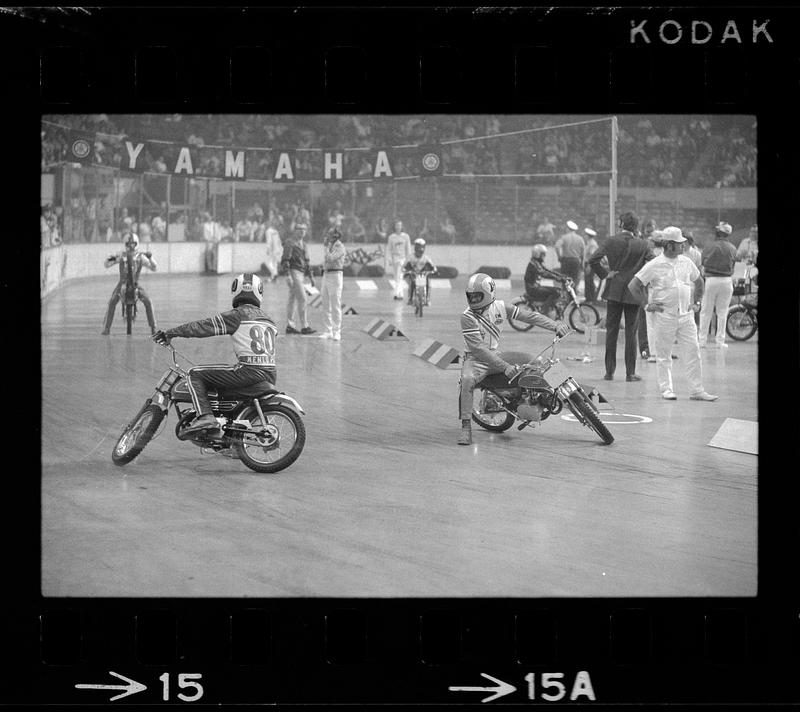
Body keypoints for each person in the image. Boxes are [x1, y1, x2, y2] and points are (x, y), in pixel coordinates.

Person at [151, 273, 279, 436]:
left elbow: (202, 327)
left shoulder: (238, 315)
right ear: (259, 292)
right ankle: (229, 437)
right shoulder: (269, 321)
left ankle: (205, 417)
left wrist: (172, 333)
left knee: (194, 374)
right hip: (270, 375)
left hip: (248, 372)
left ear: (236, 290)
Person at [457, 273, 570, 445]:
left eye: (477, 296)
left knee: (535, 361)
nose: (473, 299)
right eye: (470, 296)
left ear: (489, 293)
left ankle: (525, 399)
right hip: (475, 360)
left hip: (496, 354)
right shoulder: (467, 316)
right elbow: (478, 349)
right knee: (466, 380)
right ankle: (466, 426)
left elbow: (530, 317)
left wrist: (555, 325)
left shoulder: (501, 307)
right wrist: (504, 367)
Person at [628, 227, 717, 401]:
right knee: (664, 355)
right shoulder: (654, 264)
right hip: (664, 316)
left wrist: (697, 303)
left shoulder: (686, 262)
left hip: (686, 316)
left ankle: (697, 390)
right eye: (679, 244)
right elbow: (633, 285)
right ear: (669, 245)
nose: (683, 246)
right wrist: (646, 305)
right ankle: (666, 389)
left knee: (693, 352)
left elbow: (699, 281)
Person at [588, 211, 653, 382]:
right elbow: (653, 264)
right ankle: (630, 374)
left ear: (621, 224)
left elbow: (593, 259)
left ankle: (609, 372)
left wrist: (605, 274)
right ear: (636, 227)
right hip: (634, 292)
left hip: (614, 290)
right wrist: (642, 280)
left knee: (612, 332)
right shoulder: (643, 244)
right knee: (631, 332)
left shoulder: (610, 241)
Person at [101, 231, 158, 335]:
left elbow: (154, 267)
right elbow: (106, 264)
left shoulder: (141, 256)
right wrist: (112, 257)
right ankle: (107, 328)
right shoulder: (121, 255)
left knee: (148, 301)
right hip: (122, 284)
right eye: (129, 244)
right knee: (112, 302)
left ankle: (153, 327)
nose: (131, 246)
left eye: (133, 244)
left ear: (137, 244)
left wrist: (151, 258)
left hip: (136, 284)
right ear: (125, 244)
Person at [699, 221, 737, 349]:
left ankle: (702, 341)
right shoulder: (732, 248)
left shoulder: (709, 246)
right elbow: (733, 265)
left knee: (706, 311)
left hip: (711, 280)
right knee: (722, 312)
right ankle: (720, 342)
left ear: (718, 232)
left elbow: (702, 262)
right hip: (726, 281)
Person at [280, 220, 316, 335]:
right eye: (299, 229)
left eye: (304, 229)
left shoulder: (304, 245)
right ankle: (305, 326)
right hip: (294, 272)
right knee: (303, 298)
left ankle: (290, 326)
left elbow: (307, 261)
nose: (302, 232)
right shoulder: (289, 243)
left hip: (301, 274)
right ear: (294, 231)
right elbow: (285, 260)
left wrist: (311, 276)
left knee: (292, 299)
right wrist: (288, 275)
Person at [319, 227, 347, 341]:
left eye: (330, 233)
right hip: (326, 275)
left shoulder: (339, 246)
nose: (327, 235)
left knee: (335, 304)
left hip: (335, 276)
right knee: (325, 303)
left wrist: (325, 248)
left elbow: (330, 258)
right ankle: (328, 330)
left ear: (336, 235)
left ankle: (337, 331)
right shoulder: (330, 246)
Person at [524, 244, 567, 316]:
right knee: (556, 292)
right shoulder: (534, 264)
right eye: (543, 254)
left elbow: (548, 271)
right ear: (537, 254)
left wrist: (561, 276)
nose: (544, 256)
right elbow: (544, 273)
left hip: (536, 287)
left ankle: (550, 308)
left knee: (557, 290)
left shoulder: (537, 262)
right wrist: (557, 278)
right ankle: (544, 310)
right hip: (533, 289)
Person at [402, 238, 437, 306]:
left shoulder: (426, 258)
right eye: (418, 247)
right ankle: (410, 299)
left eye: (422, 247)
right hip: (413, 274)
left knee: (428, 284)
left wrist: (434, 270)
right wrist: (406, 271)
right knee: (412, 283)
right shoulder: (410, 257)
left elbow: (433, 266)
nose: (420, 250)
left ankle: (427, 299)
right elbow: (404, 266)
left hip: (423, 275)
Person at [385, 220, 412, 301]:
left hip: (403, 259)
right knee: (396, 276)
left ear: (402, 226)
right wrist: (389, 259)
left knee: (400, 275)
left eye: (400, 225)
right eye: (397, 225)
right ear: (394, 226)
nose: (398, 227)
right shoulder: (391, 237)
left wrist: (408, 259)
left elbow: (408, 249)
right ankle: (400, 293)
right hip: (395, 258)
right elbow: (389, 249)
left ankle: (397, 293)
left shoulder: (406, 236)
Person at [554, 220, 585, 285]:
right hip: (576, 260)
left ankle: (565, 294)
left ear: (568, 228)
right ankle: (573, 293)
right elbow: (583, 251)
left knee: (565, 279)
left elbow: (557, 246)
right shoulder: (580, 238)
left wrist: (559, 257)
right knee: (574, 279)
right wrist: (582, 262)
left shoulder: (564, 237)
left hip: (566, 260)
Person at [582, 227, 599, 303]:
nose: (584, 236)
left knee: (589, 280)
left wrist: (589, 265)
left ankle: (590, 298)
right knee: (588, 280)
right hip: (589, 263)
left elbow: (592, 255)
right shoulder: (589, 243)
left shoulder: (592, 244)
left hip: (590, 263)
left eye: (586, 235)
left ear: (588, 235)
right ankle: (590, 297)